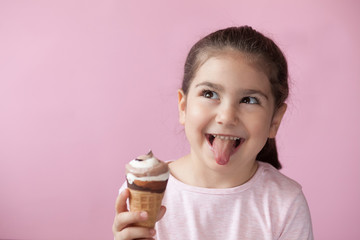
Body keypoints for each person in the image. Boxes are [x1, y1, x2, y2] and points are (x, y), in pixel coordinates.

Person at [112, 26, 314, 240]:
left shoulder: (285, 204)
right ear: (183, 106)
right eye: (210, 94)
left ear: (275, 119)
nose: (226, 116)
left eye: (249, 100)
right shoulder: (141, 188)